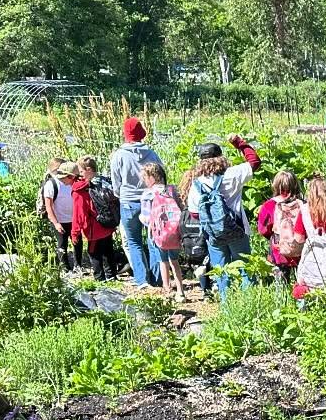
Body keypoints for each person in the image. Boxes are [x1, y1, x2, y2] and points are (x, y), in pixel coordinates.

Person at [185, 144, 257, 298]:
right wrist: (239, 142)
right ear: (221, 158)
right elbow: (254, 162)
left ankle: (227, 306)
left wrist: (214, 221)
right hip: (237, 229)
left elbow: (194, 213)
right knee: (246, 267)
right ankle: (249, 301)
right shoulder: (232, 174)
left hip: (214, 235)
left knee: (221, 271)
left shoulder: (196, 184)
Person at [108, 117, 163, 289]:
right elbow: (161, 176)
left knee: (134, 242)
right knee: (153, 240)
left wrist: (121, 194)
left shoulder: (118, 155)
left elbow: (115, 182)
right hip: (150, 200)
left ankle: (141, 280)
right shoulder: (152, 154)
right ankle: (157, 279)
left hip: (128, 201)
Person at [140, 161, 186, 301]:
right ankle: (180, 291)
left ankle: (167, 290)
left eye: (145, 178)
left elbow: (147, 218)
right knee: (175, 261)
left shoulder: (148, 194)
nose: (144, 181)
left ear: (152, 177)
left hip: (158, 235)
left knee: (163, 262)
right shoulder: (172, 190)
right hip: (174, 232)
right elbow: (181, 208)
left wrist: (141, 217)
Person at [68, 160, 117, 281]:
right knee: (108, 250)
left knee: (94, 253)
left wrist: (75, 233)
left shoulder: (80, 190)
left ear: (88, 170)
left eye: (81, 171)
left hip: (94, 228)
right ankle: (112, 277)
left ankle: (100, 279)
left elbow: (79, 214)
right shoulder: (102, 181)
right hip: (108, 223)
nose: (80, 174)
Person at [256, 170, 305, 284]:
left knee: (281, 283)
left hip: (279, 250)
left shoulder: (269, 205)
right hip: (301, 248)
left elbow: (263, 229)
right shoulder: (302, 203)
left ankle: (283, 300)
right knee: (303, 282)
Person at [41, 157, 83, 271]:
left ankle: (78, 266)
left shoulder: (73, 182)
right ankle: (65, 268)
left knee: (77, 243)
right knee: (62, 244)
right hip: (59, 220)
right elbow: (48, 206)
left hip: (74, 219)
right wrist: (56, 223)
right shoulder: (51, 184)